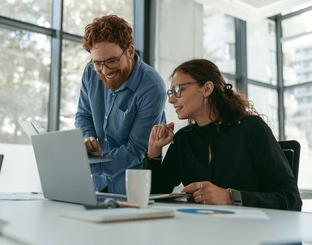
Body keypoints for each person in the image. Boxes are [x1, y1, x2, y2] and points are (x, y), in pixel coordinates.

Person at [144, 58, 302, 211]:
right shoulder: (183, 139)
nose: (171, 99)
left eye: (179, 90)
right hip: (201, 231)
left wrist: (231, 197)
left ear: (207, 88)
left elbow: (291, 199)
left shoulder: (251, 128)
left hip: (251, 232)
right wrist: (154, 153)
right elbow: (155, 195)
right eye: (171, 92)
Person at [75, 15, 167, 194]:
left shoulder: (152, 87)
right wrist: (88, 138)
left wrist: (88, 166)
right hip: (97, 185)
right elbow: (84, 115)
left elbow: (136, 150)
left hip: (131, 188)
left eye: (112, 61)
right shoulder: (90, 73)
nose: (105, 70)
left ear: (130, 52)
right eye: (98, 63)